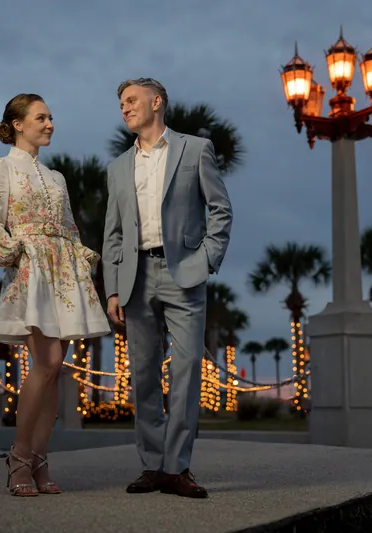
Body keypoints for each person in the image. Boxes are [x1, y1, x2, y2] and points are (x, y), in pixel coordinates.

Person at [102, 78, 233, 499]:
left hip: (184, 275)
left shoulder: (195, 149)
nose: (125, 108)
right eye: (121, 103)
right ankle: (153, 466)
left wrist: (207, 259)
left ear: (156, 102)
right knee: (142, 374)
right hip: (135, 278)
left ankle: (177, 467)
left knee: (188, 367)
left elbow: (220, 209)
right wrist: (113, 290)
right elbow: (114, 235)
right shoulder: (118, 167)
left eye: (132, 100)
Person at [0, 93, 110, 497]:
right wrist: (18, 252)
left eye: (52, 117)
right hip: (31, 271)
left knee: (55, 369)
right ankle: (19, 456)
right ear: (18, 124)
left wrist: (82, 261)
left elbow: (69, 228)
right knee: (47, 361)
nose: (50, 123)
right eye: (41, 117)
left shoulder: (57, 177)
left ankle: (40, 457)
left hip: (63, 274)